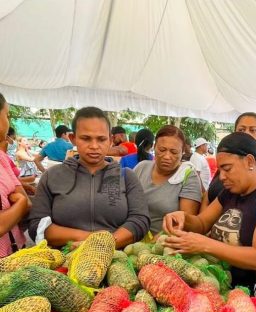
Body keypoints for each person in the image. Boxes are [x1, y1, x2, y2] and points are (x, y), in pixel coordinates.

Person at [163, 132, 256, 293]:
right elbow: (202, 223)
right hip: (218, 286)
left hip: (248, 296)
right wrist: (183, 218)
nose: (222, 177)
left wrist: (205, 245)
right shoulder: (230, 191)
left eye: (227, 169)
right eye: (220, 170)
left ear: (249, 161)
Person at [28, 107, 150, 249]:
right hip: (63, 262)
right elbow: (37, 225)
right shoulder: (52, 176)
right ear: (73, 139)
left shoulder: (127, 177)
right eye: (85, 138)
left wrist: (105, 244)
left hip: (116, 262)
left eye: (101, 139)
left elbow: (140, 220)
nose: (94, 146)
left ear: (110, 140)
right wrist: (90, 239)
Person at [204, 112, 256, 209]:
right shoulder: (225, 162)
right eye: (241, 130)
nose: (246, 133)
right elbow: (208, 195)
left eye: (252, 130)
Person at [133, 125, 202, 236]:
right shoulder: (141, 168)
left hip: (162, 245)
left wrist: (156, 243)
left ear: (182, 152)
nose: (167, 156)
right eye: (162, 150)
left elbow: (184, 224)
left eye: (174, 152)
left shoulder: (188, 177)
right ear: (154, 147)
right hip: (131, 236)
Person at [0, 92, 31, 257]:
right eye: (6, 115)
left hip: (16, 253)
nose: (7, 121)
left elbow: (27, 202)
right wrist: (19, 203)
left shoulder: (2, 158)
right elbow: (23, 200)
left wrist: (21, 201)